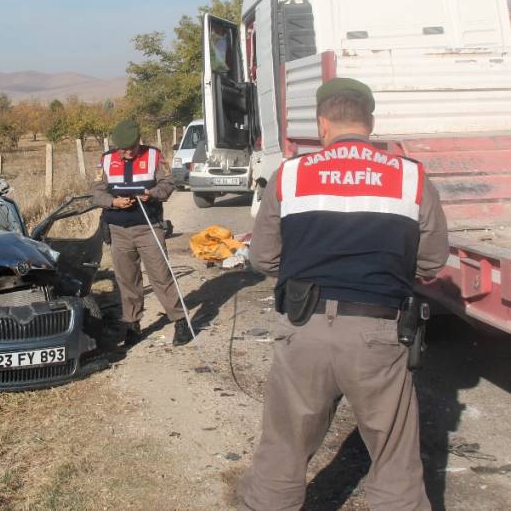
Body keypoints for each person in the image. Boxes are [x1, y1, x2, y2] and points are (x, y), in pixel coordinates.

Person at [238, 78, 448, 510]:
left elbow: (262, 258)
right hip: (377, 331)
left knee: (283, 452)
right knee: (394, 463)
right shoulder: (411, 177)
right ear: (369, 122)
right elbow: (431, 262)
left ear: (322, 123)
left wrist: (300, 276)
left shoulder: (289, 175)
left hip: (303, 327)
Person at [91, 119, 193, 346]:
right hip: (118, 229)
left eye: (131, 148)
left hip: (148, 227)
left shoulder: (154, 156)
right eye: (122, 149)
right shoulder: (106, 160)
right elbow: (96, 193)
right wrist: (113, 202)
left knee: (161, 276)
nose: (126, 153)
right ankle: (131, 324)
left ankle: (180, 321)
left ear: (139, 142)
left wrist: (153, 194)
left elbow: (169, 183)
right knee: (127, 279)